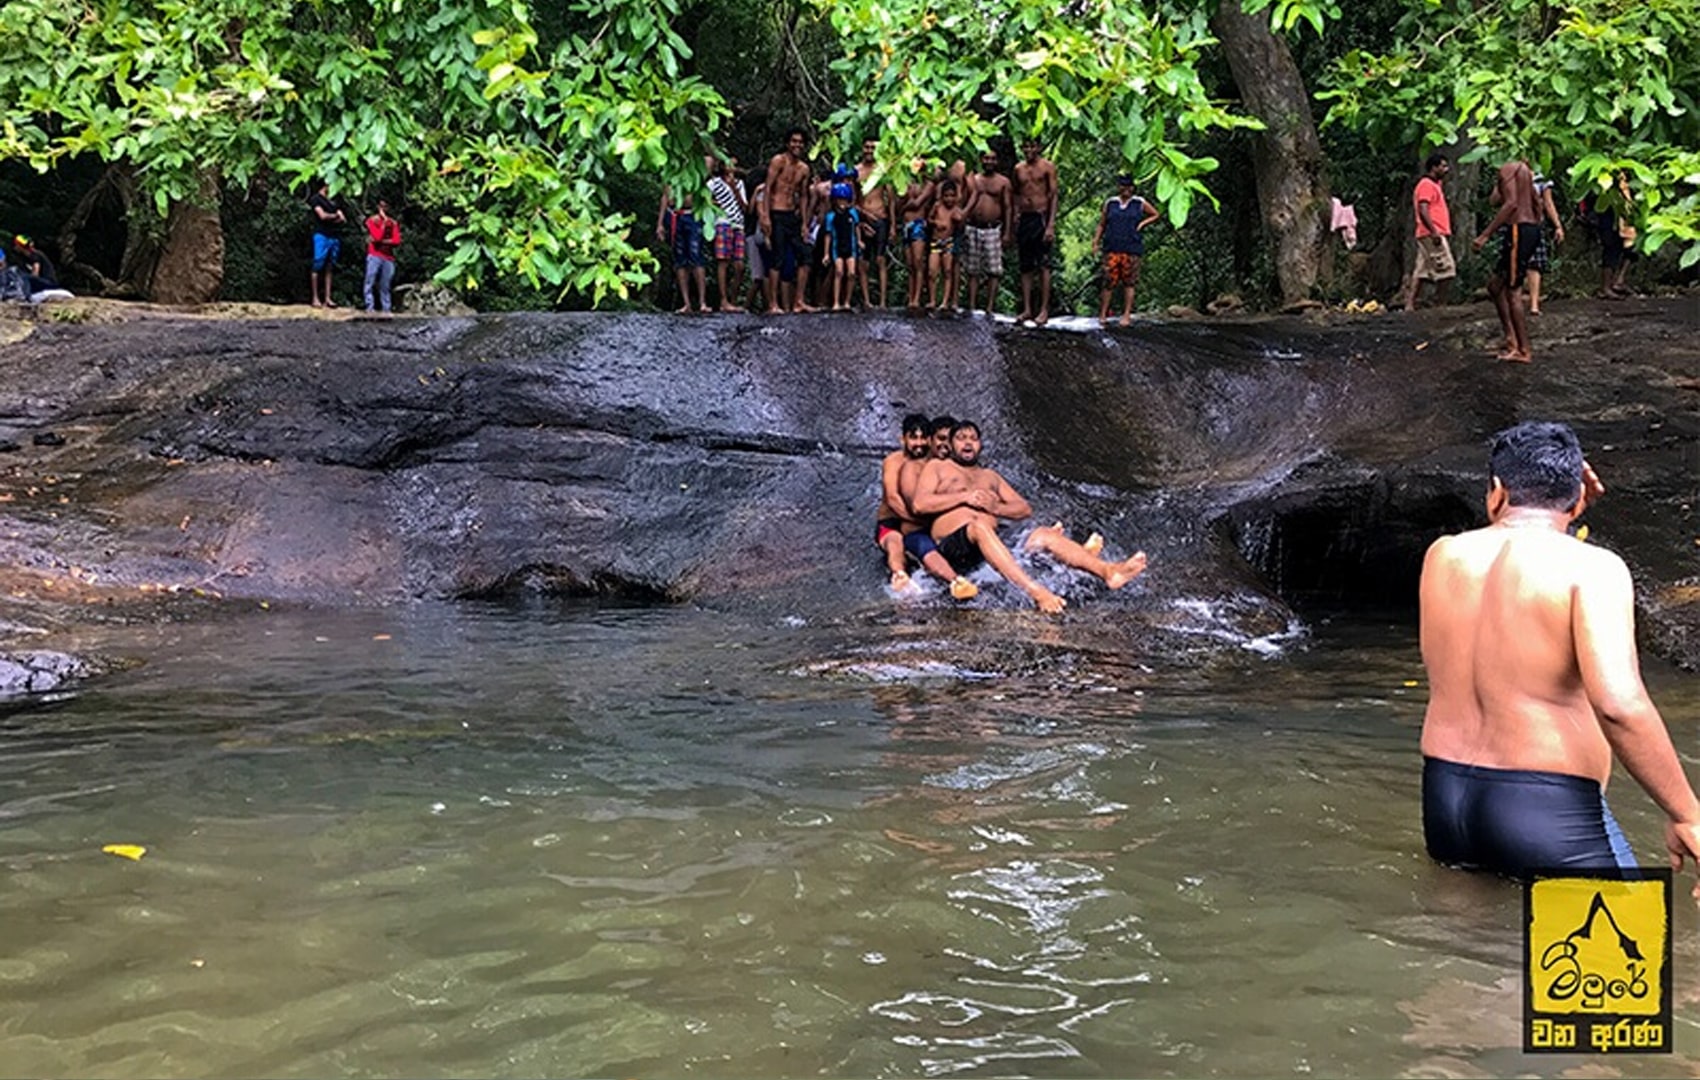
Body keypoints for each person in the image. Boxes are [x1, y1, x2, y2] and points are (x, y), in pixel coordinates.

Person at [1419, 420, 1700, 882]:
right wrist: (1685, 813)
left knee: (1478, 949)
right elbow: (1618, 706)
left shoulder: (1443, 556)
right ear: (1576, 495)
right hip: (1546, 811)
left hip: (1448, 804)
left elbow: (1509, 562)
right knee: (1625, 950)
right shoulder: (1592, 569)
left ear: (1495, 492)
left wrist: (1557, 517)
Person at [910, 421, 1148, 614]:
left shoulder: (990, 476)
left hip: (994, 542)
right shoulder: (937, 467)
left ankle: (1108, 572)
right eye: (962, 438)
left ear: (980, 445)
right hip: (956, 547)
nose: (968, 442)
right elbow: (920, 504)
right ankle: (1037, 592)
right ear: (951, 445)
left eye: (973, 438)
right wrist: (964, 496)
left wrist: (997, 507)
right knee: (979, 526)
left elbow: (1023, 509)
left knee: (1043, 535)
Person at [880, 414, 977, 599]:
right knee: (896, 541)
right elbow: (893, 498)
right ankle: (900, 575)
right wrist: (920, 519)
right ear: (903, 439)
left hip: (925, 523)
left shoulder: (939, 461)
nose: (919, 443)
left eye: (923, 438)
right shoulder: (895, 462)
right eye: (913, 438)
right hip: (893, 521)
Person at [1472, 160, 1540, 363]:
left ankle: (1523, 349)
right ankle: (1510, 338)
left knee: (1513, 291)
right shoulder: (1525, 171)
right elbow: (1537, 202)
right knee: (1495, 286)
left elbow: (1510, 203)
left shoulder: (1509, 168)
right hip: (1528, 229)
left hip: (1519, 229)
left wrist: (1485, 235)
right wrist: (1536, 225)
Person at [1091, 174, 1160, 327]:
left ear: (1133, 188)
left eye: (1129, 186)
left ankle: (1126, 315)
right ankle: (1102, 314)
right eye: (1123, 186)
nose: (1126, 189)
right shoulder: (1111, 203)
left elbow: (1155, 214)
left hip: (1131, 247)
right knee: (1108, 281)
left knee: (1129, 282)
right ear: (1119, 187)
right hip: (1112, 247)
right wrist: (1095, 241)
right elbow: (1102, 224)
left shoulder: (1139, 202)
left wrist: (1142, 224)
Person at [762, 128, 813, 314]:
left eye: (800, 142)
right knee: (778, 258)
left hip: (793, 216)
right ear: (787, 143)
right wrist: (765, 216)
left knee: (806, 256)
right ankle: (773, 304)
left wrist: (805, 223)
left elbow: (804, 196)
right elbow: (768, 188)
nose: (797, 145)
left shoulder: (804, 169)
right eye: (794, 141)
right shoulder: (778, 161)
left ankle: (798, 301)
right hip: (776, 213)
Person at [960, 151, 1013, 317]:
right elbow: (964, 200)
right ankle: (972, 306)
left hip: (993, 229)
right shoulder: (974, 179)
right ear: (981, 160)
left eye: (992, 158)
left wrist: (1007, 232)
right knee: (972, 269)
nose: (989, 161)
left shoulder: (1003, 182)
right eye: (986, 158)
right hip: (973, 227)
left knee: (993, 270)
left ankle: (990, 307)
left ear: (997, 161)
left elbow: (1008, 207)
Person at [1012, 138, 1058, 326]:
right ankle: (1027, 309)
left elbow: (1053, 195)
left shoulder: (1047, 167)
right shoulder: (1018, 169)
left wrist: (1050, 224)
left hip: (1041, 217)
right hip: (1025, 218)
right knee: (1026, 265)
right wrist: (1015, 213)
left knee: (1044, 264)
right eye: (1026, 146)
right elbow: (1016, 192)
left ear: (1038, 147)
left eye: (1032, 146)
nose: (1029, 149)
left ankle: (1044, 309)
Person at [1404, 153, 1455, 312]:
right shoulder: (1426, 184)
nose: (1446, 169)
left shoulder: (1436, 185)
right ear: (1434, 167)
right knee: (1446, 268)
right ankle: (1440, 304)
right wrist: (1434, 231)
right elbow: (1423, 209)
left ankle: (1410, 304)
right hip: (1432, 232)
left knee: (1421, 270)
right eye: (1443, 166)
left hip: (1429, 232)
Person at [855, 139, 893, 309]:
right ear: (862, 148)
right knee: (863, 261)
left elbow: (890, 200)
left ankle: (883, 302)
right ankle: (867, 301)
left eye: (873, 147)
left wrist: (892, 225)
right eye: (867, 147)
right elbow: (852, 200)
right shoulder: (856, 171)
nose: (869, 150)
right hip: (863, 219)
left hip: (881, 218)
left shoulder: (882, 170)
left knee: (880, 260)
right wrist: (863, 216)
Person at [656, 188, 708, 314]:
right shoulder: (670, 171)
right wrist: (660, 223)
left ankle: (702, 302)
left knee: (696, 256)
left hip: (692, 214)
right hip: (675, 215)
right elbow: (665, 195)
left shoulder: (695, 169)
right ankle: (686, 303)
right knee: (680, 259)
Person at [707, 156, 748, 313]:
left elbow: (745, 206)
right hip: (722, 222)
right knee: (723, 261)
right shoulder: (714, 183)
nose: (732, 168)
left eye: (734, 165)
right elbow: (704, 200)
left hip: (738, 224)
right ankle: (724, 300)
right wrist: (715, 205)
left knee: (739, 265)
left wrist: (735, 189)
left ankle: (733, 299)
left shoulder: (739, 184)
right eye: (729, 164)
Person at [1523, 173, 1565, 316]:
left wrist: (1557, 225)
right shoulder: (1511, 170)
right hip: (1515, 222)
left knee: (1534, 264)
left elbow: (1548, 202)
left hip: (1535, 222)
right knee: (1513, 264)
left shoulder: (1542, 176)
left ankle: (1534, 304)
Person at [898, 161, 936, 314]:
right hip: (906, 225)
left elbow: (916, 203)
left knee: (918, 261)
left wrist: (905, 204)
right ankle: (910, 297)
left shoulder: (928, 184)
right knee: (910, 264)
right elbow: (898, 202)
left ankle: (917, 298)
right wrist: (905, 204)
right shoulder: (905, 181)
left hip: (918, 224)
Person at [307, 179, 347, 308]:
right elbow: (322, 216)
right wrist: (335, 216)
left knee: (330, 266)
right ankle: (315, 298)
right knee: (318, 263)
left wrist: (333, 216)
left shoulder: (335, 200)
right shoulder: (316, 199)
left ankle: (328, 298)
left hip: (334, 235)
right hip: (321, 234)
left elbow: (343, 219)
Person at [926, 181, 964, 314]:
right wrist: (936, 223)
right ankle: (932, 300)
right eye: (946, 196)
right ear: (942, 196)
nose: (949, 199)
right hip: (936, 241)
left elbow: (960, 226)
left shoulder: (956, 210)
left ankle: (944, 301)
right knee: (932, 271)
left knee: (947, 271)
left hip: (948, 242)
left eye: (952, 196)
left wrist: (958, 220)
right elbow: (928, 219)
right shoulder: (937, 206)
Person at [824, 182, 861, 312]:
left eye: (844, 199)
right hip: (837, 247)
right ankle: (836, 302)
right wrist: (826, 253)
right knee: (839, 272)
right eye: (839, 199)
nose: (842, 202)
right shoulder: (831, 216)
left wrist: (860, 241)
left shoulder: (853, 213)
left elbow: (856, 228)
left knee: (851, 273)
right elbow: (828, 235)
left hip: (851, 247)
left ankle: (847, 301)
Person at [362, 198, 401, 315]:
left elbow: (396, 241)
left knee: (385, 284)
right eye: (381, 206)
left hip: (388, 257)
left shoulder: (393, 223)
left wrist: (382, 241)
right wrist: (383, 223)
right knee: (370, 281)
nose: (383, 209)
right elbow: (377, 236)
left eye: (385, 206)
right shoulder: (371, 221)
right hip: (374, 255)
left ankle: (386, 309)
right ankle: (370, 308)